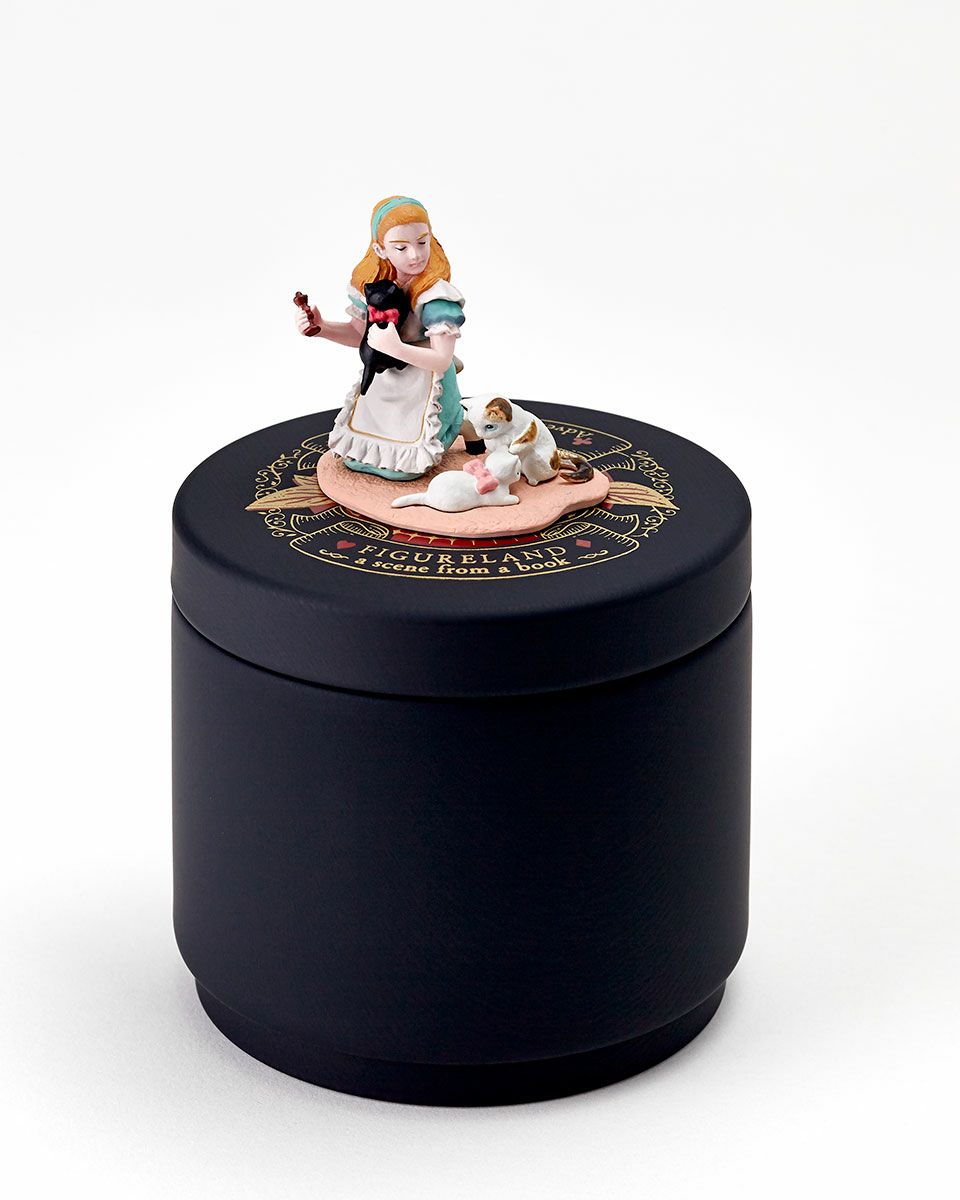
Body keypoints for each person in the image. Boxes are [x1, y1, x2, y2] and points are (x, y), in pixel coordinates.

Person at [296, 195, 467, 480]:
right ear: (380, 249)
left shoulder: (436, 296)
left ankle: (460, 420)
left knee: (404, 467)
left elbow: (441, 359)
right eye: (401, 247)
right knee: (358, 456)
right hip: (384, 380)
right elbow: (360, 335)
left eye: (422, 242)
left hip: (426, 382)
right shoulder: (376, 286)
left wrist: (396, 348)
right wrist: (322, 328)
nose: (415, 255)